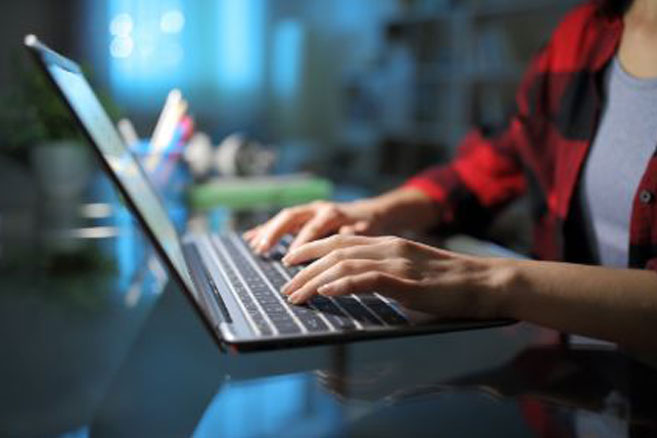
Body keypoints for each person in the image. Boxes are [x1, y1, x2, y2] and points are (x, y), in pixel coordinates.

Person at [244, 0, 657, 351]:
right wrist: (375, 211)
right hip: (573, 379)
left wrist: (484, 281)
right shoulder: (584, 31)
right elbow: (506, 154)